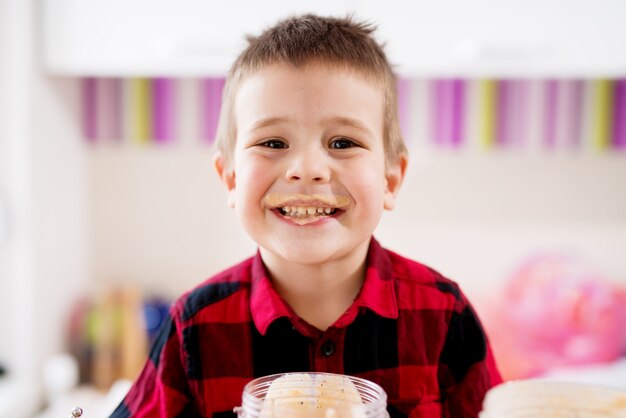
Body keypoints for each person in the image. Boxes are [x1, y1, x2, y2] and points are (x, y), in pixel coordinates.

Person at [111, 14, 502, 418]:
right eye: (274, 142)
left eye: (342, 142)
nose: (307, 168)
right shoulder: (193, 326)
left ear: (390, 179)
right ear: (230, 179)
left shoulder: (443, 314)